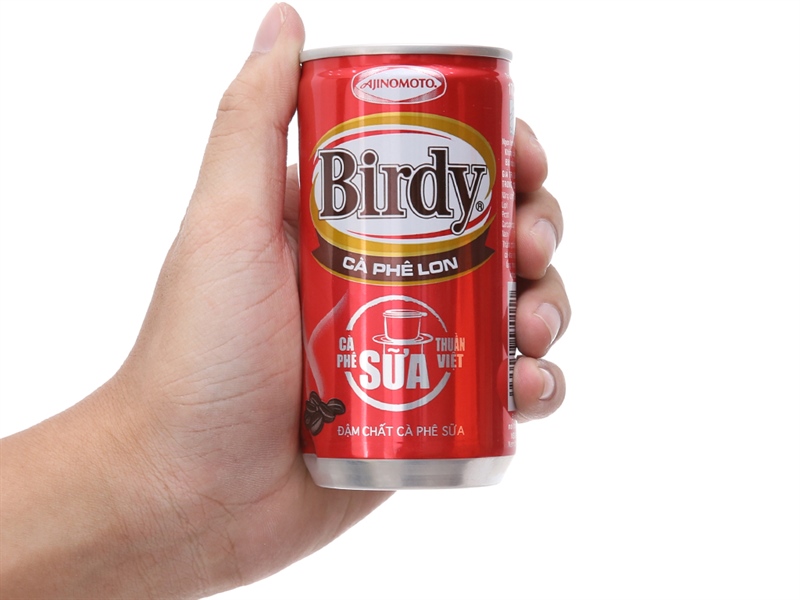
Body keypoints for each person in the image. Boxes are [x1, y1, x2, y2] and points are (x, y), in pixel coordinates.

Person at [0, 3, 570, 598]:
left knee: (518, 243)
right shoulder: (338, 80)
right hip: (332, 431)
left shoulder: (478, 80)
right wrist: (166, 481)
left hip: (449, 420)